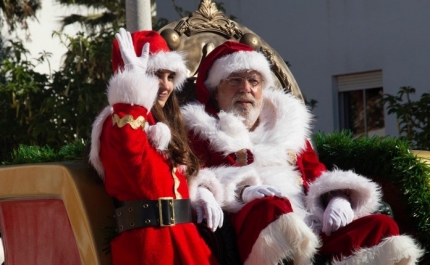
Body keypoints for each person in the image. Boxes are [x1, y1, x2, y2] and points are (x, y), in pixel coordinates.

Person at [181, 41, 424, 265]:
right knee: (271, 209)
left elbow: (315, 172)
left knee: (380, 227)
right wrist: (242, 191)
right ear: (215, 90)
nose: (246, 89)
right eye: (235, 80)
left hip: (313, 226)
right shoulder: (200, 130)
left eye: (254, 81)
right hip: (256, 228)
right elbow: (193, 175)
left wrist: (337, 198)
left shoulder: (287, 125)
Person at [89, 28, 219, 265]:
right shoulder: (118, 121)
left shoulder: (161, 125)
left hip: (184, 242)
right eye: (156, 74)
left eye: (170, 77)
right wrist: (133, 89)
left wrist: (200, 192)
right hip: (148, 248)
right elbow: (130, 154)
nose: (166, 85)